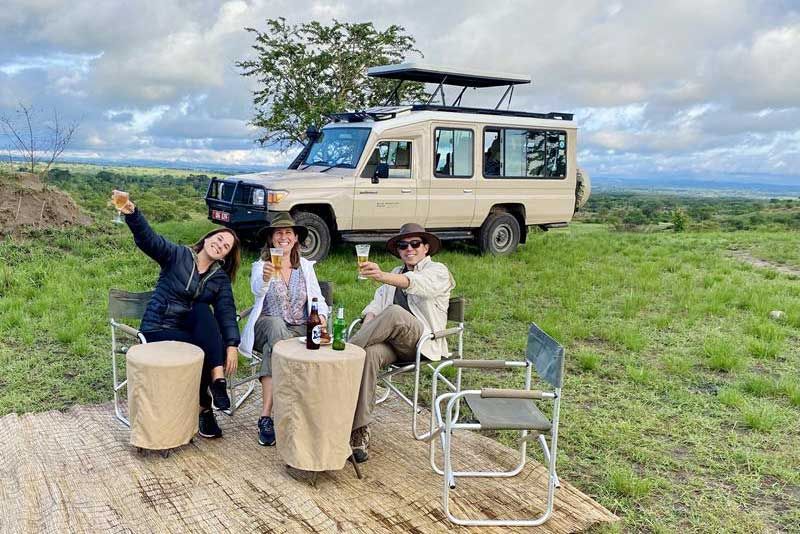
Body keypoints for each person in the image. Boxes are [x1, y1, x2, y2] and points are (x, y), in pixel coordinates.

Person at [116, 192, 241, 439]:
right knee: (202, 348)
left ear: (225, 256)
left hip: (184, 333)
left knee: (204, 312)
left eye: (225, 246)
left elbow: (226, 312)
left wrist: (232, 346)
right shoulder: (178, 256)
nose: (220, 244)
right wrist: (132, 213)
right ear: (207, 239)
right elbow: (150, 240)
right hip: (157, 328)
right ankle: (205, 408)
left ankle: (217, 383)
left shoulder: (219, 279)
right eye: (218, 238)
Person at [348, 223, 455, 462]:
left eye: (415, 244)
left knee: (395, 312)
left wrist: (381, 275)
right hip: (395, 345)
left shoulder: (438, 271)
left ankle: (341, 356)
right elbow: (374, 308)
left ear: (426, 248)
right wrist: (368, 327)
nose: (409, 249)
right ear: (398, 251)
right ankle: (359, 432)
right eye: (403, 245)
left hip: (423, 343)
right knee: (370, 355)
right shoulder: (395, 273)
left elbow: (417, 284)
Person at [238, 213, 329, 447]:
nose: (283, 236)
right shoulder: (261, 266)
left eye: (288, 232)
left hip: (297, 329)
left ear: (296, 237)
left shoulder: (306, 267)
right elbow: (258, 290)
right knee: (277, 328)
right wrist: (266, 278)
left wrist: (323, 318)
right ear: (271, 239)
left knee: (275, 348)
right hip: (266, 325)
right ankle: (288, 407)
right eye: (278, 232)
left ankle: (266, 416)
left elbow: (318, 299)